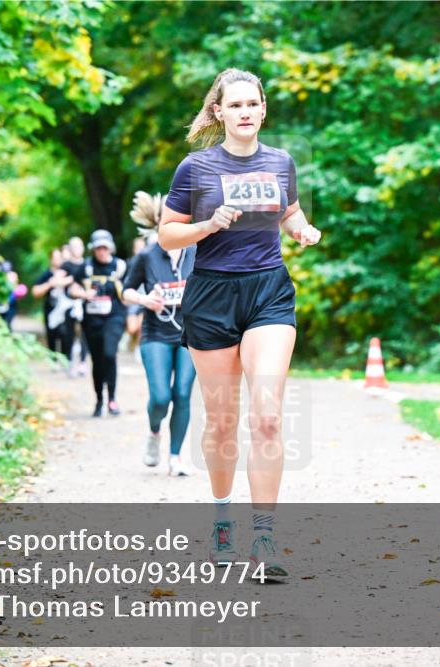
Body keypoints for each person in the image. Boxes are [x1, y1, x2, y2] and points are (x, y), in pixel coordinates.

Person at [157, 68, 322, 577]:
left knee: (268, 415)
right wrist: (208, 224)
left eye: (253, 104)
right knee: (223, 420)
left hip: (268, 291)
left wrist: (302, 229)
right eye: (236, 105)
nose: (246, 112)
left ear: (263, 109)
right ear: (218, 113)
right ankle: (223, 517)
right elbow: (167, 236)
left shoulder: (281, 162)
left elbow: (288, 212)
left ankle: (265, 539)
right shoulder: (195, 168)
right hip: (210, 295)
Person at [123, 192, 197, 478]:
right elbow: (126, 290)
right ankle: (154, 432)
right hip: (155, 333)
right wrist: (144, 301)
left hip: (190, 334)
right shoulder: (147, 255)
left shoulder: (196, 248)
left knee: (182, 393)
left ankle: (176, 457)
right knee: (160, 397)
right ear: (161, 221)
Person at [68, 230, 128, 417]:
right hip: (92, 319)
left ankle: (112, 398)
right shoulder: (85, 267)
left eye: (104, 247)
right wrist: (82, 294)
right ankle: (99, 400)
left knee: (109, 354)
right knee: (97, 360)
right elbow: (72, 288)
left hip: (115, 316)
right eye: (97, 248)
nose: (101, 251)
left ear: (110, 247)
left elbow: (131, 287)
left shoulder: (120, 266)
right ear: (93, 249)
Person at [31, 248, 76, 355]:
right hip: (50, 309)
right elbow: (35, 291)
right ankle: (53, 358)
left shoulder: (69, 272)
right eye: (55, 258)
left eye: (59, 257)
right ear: (51, 260)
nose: (57, 260)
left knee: (66, 335)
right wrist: (50, 284)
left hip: (67, 311)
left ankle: (67, 360)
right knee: (52, 335)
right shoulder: (46, 275)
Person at [61, 237, 90, 377]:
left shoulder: (88, 264)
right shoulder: (66, 265)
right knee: (69, 334)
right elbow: (57, 280)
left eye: (79, 246)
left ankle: (83, 362)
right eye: (74, 246)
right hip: (68, 304)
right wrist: (72, 280)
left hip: (85, 303)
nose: (76, 249)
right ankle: (69, 361)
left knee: (85, 332)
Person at [125, 236, 148, 352]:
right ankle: (131, 340)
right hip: (133, 299)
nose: (139, 249)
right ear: (134, 249)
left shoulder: (149, 260)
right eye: (137, 247)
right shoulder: (130, 263)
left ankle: (139, 348)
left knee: (141, 326)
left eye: (141, 247)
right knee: (131, 328)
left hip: (146, 298)